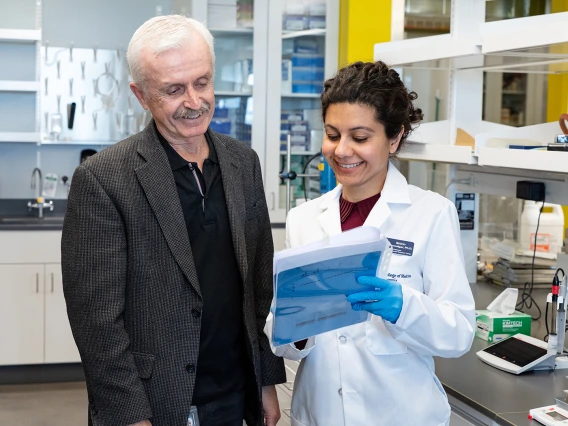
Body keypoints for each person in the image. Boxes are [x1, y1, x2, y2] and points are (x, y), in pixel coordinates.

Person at [61, 15, 285, 426]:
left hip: (237, 395)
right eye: (173, 90)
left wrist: (267, 381)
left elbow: (259, 286)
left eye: (202, 82)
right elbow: (96, 323)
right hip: (157, 405)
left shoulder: (242, 163)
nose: (194, 101)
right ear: (141, 95)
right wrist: (130, 416)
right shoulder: (104, 179)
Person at [270, 61, 476, 426]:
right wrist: (295, 326)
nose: (342, 150)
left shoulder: (430, 213)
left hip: (402, 414)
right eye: (333, 135)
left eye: (360, 138)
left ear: (394, 138)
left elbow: (458, 332)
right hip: (320, 413)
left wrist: (402, 306)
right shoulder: (304, 219)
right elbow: (283, 343)